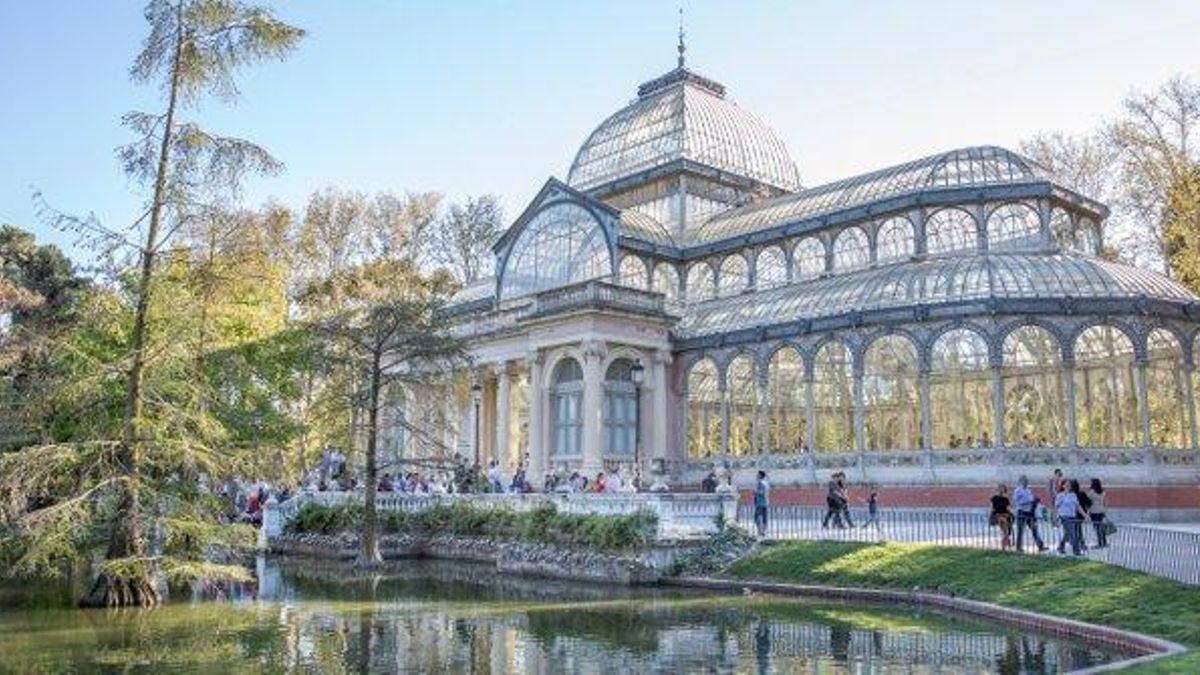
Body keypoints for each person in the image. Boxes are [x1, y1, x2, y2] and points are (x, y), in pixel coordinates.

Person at [1012, 475, 1047, 553]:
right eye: (1024, 481)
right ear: (1020, 482)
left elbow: (1031, 498)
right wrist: (1029, 500)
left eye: (1027, 480)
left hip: (1030, 512)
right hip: (1021, 511)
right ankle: (1018, 547)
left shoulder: (1028, 490)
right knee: (1020, 530)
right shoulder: (1018, 490)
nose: (1026, 482)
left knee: (1034, 529)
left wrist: (1035, 500)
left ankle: (1040, 546)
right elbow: (1016, 501)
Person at [1055, 479, 1085, 556]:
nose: (1068, 485)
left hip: (1072, 516)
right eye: (1066, 484)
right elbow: (1056, 506)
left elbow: (1077, 506)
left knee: (1068, 533)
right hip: (1064, 517)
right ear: (1063, 486)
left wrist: (1084, 514)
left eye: (1069, 484)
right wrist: (1056, 517)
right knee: (1073, 533)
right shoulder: (1060, 495)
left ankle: (1060, 547)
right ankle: (1076, 551)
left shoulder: (1073, 495)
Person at [990, 484, 1013, 551]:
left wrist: (1011, 513)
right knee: (1005, 530)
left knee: (1006, 531)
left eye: (1002, 489)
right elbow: (992, 508)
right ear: (998, 489)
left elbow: (1008, 508)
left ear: (1004, 490)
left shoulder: (1006, 499)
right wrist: (992, 515)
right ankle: (1004, 546)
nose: (1001, 490)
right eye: (1000, 489)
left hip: (1005, 515)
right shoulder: (994, 498)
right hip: (998, 516)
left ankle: (1007, 544)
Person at [753, 470, 770, 537]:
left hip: (760, 503)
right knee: (764, 518)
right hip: (765, 502)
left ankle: (760, 531)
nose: (756, 476)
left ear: (760, 476)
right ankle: (763, 531)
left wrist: (755, 492)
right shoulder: (766, 483)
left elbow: (761, 492)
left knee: (757, 517)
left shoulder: (760, 483)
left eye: (758, 475)